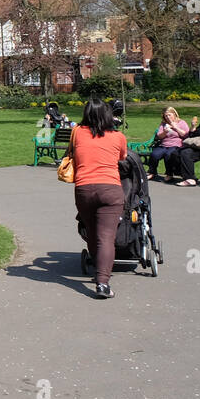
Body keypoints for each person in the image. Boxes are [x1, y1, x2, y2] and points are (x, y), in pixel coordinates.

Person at [69, 97, 128, 299]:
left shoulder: (77, 133)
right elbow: (122, 157)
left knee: (93, 234)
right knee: (106, 238)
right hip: (110, 188)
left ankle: (98, 269)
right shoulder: (117, 136)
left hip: (84, 188)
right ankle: (102, 282)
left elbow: (72, 154)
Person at [147, 106, 188, 181]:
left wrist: (175, 127)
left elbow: (185, 135)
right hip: (164, 145)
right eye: (166, 115)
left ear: (174, 114)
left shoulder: (181, 122)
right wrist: (165, 131)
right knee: (154, 154)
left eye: (169, 115)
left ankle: (169, 174)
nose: (168, 117)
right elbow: (159, 136)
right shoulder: (163, 124)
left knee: (168, 154)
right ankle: (152, 172)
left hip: (176, 145)